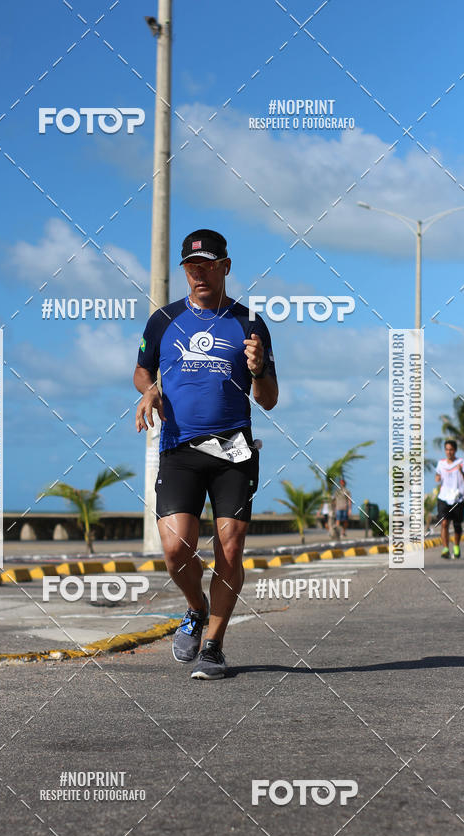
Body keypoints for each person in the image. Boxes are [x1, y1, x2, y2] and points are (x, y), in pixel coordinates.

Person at [134, 229, 278, 680]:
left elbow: (269, 399)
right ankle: (195, 608)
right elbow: (141, 371)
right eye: (191, 267)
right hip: (179, 448)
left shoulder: (250, 324)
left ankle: (213, 645)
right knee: (176, 550)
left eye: (208, 265)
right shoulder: (164, 319)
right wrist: (152, 390)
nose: (199, 274)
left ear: (225, 267)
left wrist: (257, 370)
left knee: (230, 549)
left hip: (233, 451)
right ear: (185, 270)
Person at [435, 440, 464, 559]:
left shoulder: (462, 462)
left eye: (451, 449)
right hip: (444, 497)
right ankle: (445, 548)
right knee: (444, 523)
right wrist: (437, 477)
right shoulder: (441, 463)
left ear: (455, 450)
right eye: (447, 449)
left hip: (458, 498)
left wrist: (461, 471)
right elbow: (437, 476)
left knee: (457, 525)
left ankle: (456, 546)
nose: (449, 452)